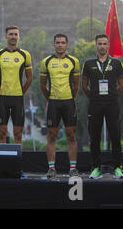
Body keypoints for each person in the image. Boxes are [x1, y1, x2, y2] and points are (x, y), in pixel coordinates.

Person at [81, 34, 123, 179]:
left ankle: (117, 167)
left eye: (104, 43)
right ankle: (95, 167)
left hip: (112, 103)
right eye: (99, 43)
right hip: (95, 103)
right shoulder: (88, 63)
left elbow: (122, 85)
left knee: (115, 135)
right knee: (94, 137)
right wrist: (95, 97)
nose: (102, 46)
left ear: (108, 46)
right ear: (96, 45)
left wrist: (111, 96)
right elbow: (84, 85)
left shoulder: (117, 63)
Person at [40, 34, 80, 179]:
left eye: (63, 43)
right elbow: (43, 86)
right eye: (58, 42)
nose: (60, 45)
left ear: (67, 45)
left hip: (69, 102)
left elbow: (76, 85)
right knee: (51, 136)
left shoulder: (73, 61)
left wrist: (70, 98)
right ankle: (51, 168)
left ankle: (73, 168)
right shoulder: (46, 61)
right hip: (53, 103)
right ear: (54, 44)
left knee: (71, 136)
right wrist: (51, 99)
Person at [0, 26, 33, 144]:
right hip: (3, 98)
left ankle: (18, 161)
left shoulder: (25, 55)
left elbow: (29, 78)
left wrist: (21, 92)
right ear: (6, 36)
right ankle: (2, 160)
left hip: (18, 98)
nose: (13, 37)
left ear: (19, 37)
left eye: (16, 34)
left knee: (18, 134)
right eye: (11, 34)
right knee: (2, 134)